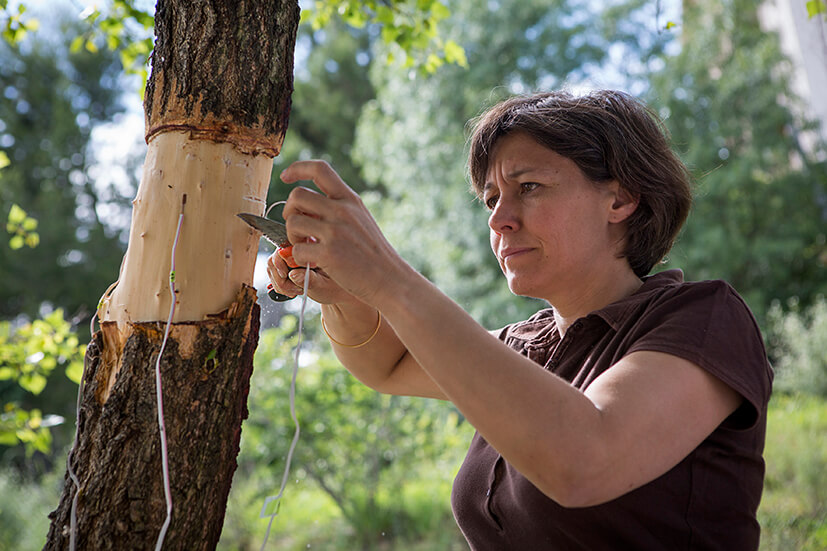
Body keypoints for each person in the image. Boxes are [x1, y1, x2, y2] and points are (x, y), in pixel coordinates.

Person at [266, 89, 773, 550]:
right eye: (491, 198)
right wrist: (345, 292)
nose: (498, 217)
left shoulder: (704, 319)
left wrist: (387, 277)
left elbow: (584, 461)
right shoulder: (526, 343)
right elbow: (388, 364)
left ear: (620, 198)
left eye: (528, 186)